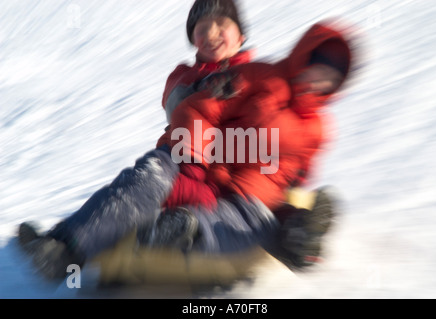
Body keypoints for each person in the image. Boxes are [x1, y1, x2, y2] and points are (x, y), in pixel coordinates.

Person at [18, 0, 352, 280]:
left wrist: (284, 198)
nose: (211, 33)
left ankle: (288, 231)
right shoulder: (201, 78)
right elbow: (187, 106)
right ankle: (64, 248)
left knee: (252, 217)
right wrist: (205, 101)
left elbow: (290, 169)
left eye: (222, 23)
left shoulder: (273, 88)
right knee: (143, 181)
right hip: (186, 163)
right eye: (201, 27)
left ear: (242, 33)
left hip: (236, 187)